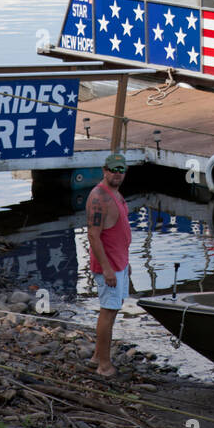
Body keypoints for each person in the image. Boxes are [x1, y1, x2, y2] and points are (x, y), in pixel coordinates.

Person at [86, 152, 132, 377]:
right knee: (108, 311)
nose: (117, 173)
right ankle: (104, 366)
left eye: (121, 169)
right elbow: (93, 235)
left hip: (119, 262)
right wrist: (106, 268)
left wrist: (126, 263)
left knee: (114, 309)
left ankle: (97, 356)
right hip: (109, 266)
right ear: (104, 170)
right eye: (113, 169)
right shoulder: (98, 197)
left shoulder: (116, 193)